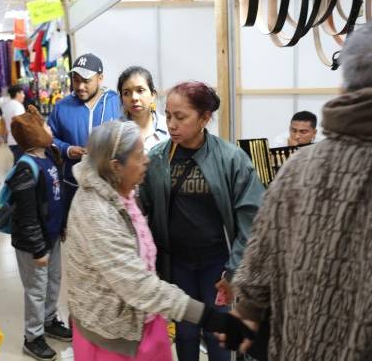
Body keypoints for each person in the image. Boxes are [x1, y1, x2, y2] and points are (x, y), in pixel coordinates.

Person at [224, 21, 372, 361]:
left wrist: (246, 311)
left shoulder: (298, 170)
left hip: (301, 344)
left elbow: (259, 262)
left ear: (343, 88)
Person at [66, 120, 254, 361]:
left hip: (145, 315)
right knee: (187, 334)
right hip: (115, 337)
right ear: (116, 166)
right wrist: (210, 317)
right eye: (138, 155)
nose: (146, 159)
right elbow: (136, 285)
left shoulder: (120, 190)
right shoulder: (97, 213)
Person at [139, 82, 265, 361]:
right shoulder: (158, 158)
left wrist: (233, 271)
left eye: (180, 117)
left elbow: (252, 219)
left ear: (205, 118)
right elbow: (139, 207)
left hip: (217, 266)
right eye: (168, 115)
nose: (171, 124)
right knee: (184, 331)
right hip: (177, 264)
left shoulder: (230, 159)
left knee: (218, 331)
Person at [9, 106, 72, 361]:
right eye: (45, 127)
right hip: (33, 243)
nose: (50, 130)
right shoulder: (26, 167)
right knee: (36, 288)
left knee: (53, 281)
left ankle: (48, 320)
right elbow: (26, 216)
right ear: (34, 134)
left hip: (52, 236)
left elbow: (57, 198)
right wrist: (37, 248)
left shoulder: (49, 157)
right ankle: (33, 337)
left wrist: (62, 227)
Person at [48, 53, 121, 223]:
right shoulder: (61, 107)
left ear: (100, 78)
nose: (80, 86)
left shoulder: (116, 103)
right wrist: (67, 149)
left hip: (110, 187)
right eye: (76, 80)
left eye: (86, 81)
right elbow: (48, 139)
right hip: (74, 186)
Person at [118, 66, 169, 152]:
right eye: (126, 93)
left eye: (140, 90)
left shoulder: (169, 129)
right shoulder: (115, 134)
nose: (134, 98)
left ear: (153, 94)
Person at [2, 84, 26, 164]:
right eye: (22, 93)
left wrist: (4, 137)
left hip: (11, 140)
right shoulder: (18, 106)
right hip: (18, 140)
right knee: (20, 164)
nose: (24, 95)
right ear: (17, 94)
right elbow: (20, 123)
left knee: (18, 162)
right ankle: (14, 176)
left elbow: (4, 123)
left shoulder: (6, 106)